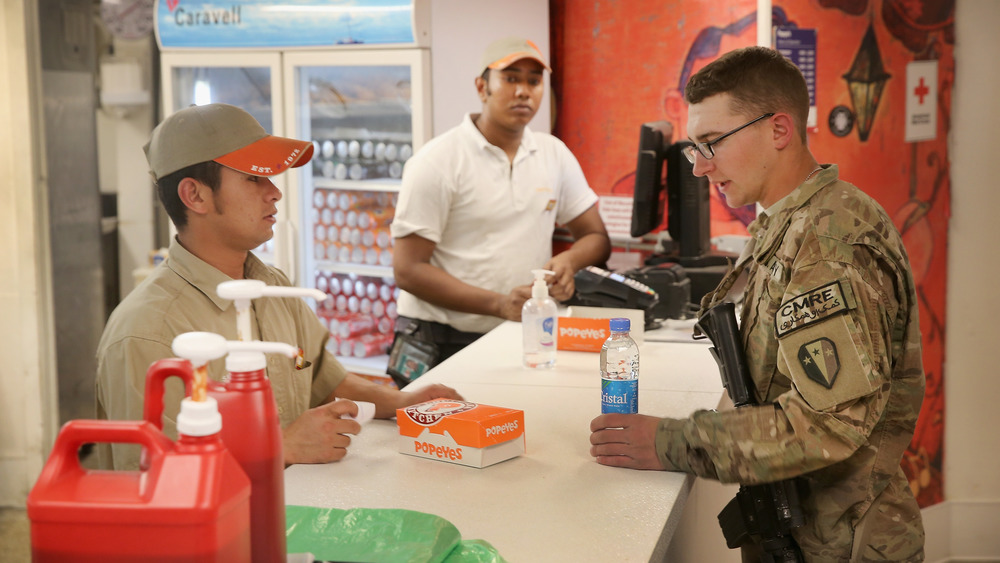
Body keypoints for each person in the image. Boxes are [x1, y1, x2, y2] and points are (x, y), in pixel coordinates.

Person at [589, 46, 925, 561]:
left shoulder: (830, 243)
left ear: (779, 130)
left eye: (711, 143)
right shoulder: (785, 222)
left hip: (843, 541)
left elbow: (824, 424)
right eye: (692, 148)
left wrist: (672, 441)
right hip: (803, 525)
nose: (700, 168)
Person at [95, 102, 461, 470]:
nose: (275, 192)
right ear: (196, 196)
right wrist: (277, 448)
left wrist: (404, 402)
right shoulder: (147, 333)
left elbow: (320, 377)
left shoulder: (271, 288)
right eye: (254, 178)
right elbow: (149, 473)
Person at [390, 36, 611, 366]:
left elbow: (596, 237)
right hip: (442, 340)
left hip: (521, 334)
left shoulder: (553, 153)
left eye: (534, 81)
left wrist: (570, 263)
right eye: (510, 79)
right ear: (482, 87)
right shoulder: (438, 161)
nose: (524, 91)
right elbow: (408, 270)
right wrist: (498, 304)